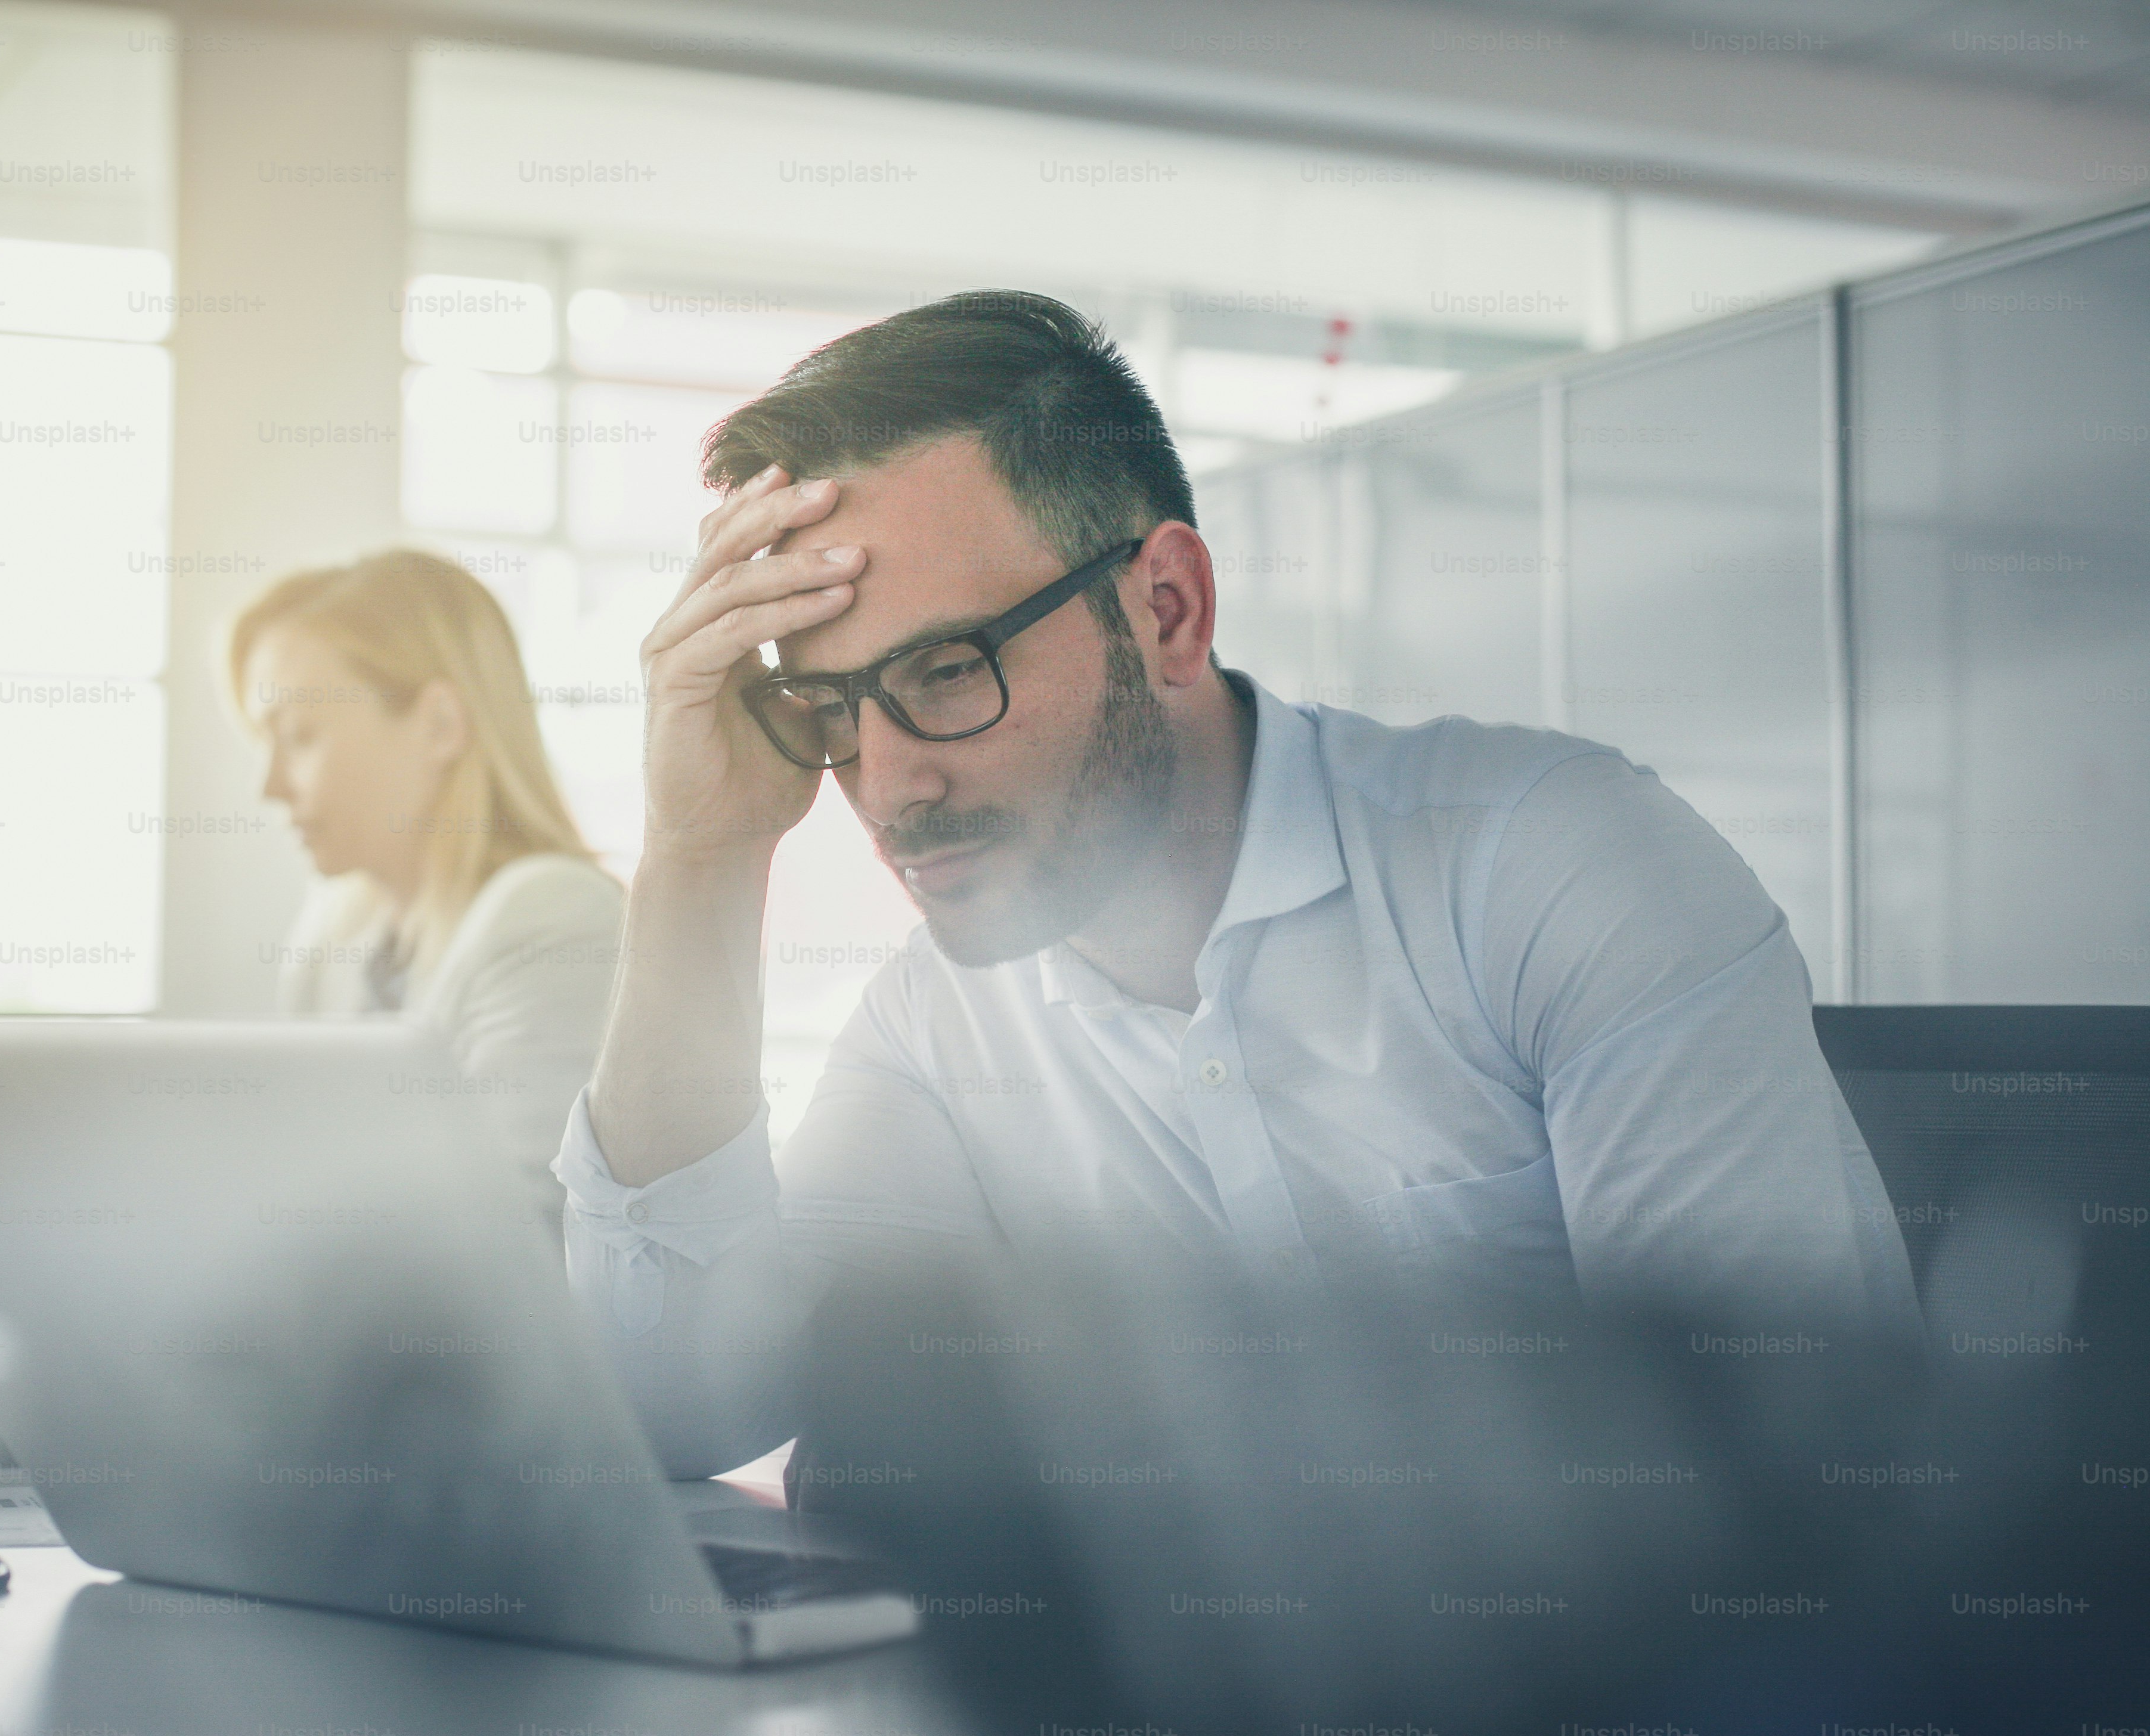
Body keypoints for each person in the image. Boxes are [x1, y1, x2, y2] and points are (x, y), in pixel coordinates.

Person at [550, 292, 1923, 1479]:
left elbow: (1803, 1459)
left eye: (949, 672)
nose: (887, 781)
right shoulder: (935, 1029)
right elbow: (685, 1412)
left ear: (1167, 612)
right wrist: (702, 854)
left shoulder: (1558, 866)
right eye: (832, 707)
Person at [229, 550, 621, 1227]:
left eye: (299, 736)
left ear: (439, 724)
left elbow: (517, 1234)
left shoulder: (554, 915)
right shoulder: (335, 933)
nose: (269, 787)